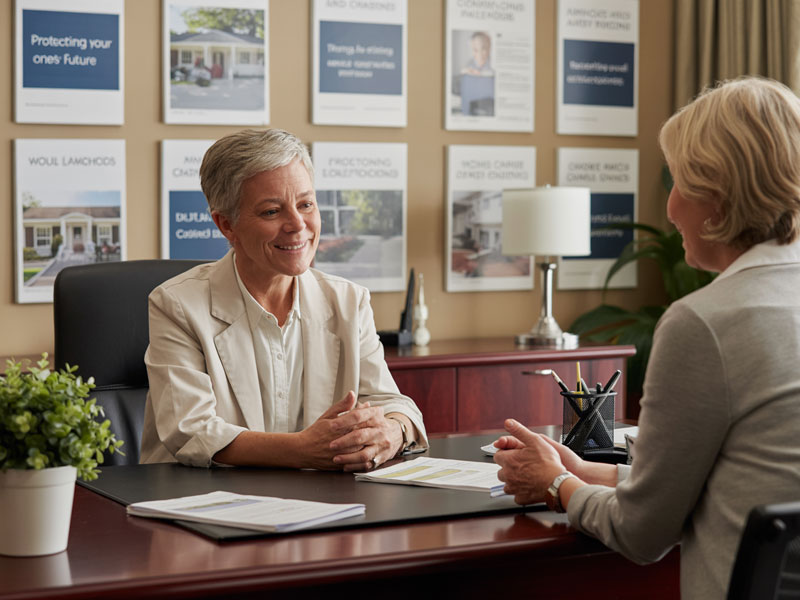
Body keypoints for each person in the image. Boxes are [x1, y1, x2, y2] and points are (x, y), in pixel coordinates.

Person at [493, 77, 800, 600]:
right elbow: (741, 478)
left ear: (718, 201)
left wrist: (555, 485)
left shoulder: (704, 324)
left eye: (679, 183)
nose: (671, 207)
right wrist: (582, 470)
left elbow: (642, 534)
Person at [141, 128, 427, 470]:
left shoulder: (349, 301)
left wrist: (394, 431)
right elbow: (191, 431)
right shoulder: (176, 304)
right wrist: (303, 449)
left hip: (319, 504)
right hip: (199, 501)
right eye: (271, 212)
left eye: (306, 204)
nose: (297, 224)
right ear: (226, 225)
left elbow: (393, 403)